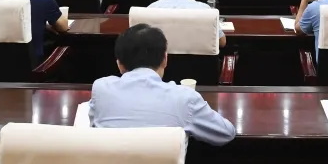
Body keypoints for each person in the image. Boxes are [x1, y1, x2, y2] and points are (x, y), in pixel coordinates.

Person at [88, 23, 236, 145]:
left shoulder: (101, 89)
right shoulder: (185, 98)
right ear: (165, 59)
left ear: (119, 65)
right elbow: (226, 133)